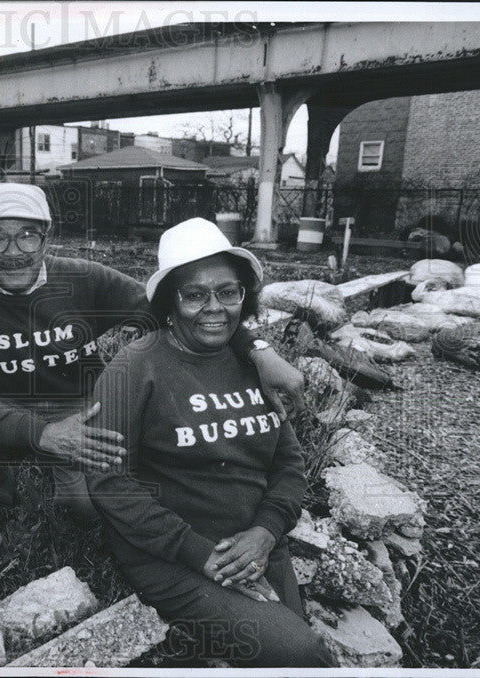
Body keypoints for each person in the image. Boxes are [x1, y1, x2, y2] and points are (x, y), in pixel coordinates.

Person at [0, 183, 306, 528]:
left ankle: (71, 479)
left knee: (90, 511)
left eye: (27, 236)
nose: (14, 252)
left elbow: (179, 310)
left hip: (82, 411)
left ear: (47, 239)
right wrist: (40, 434)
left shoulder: (84, 278)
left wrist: (257, 348)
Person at [85, 217, 334, 667]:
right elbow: (109, 484)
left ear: (245, 295)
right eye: (194, 295)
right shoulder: (135, 367)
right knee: (302, 652)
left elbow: (288, 466)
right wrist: (203, 557)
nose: (214, 307)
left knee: (295, 652)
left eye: (228, 292)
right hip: (175, 556)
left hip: (257, 544)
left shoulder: (253, 362)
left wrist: (266, 531)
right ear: (168, 302)